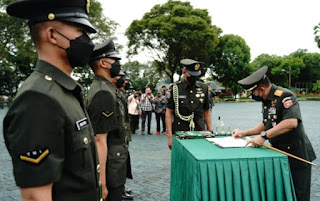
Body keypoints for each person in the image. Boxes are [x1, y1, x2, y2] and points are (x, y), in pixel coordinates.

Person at [2, 1, 101, 201]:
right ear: (52, 35)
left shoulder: (63, 90)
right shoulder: (39, 98)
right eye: (80, 30)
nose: (87, 41)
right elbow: (35, 196)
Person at [232, 66, 316, 201]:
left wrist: (264, 136)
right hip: (279, 154)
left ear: (262, 88)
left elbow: (291, 122)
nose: (252, 96)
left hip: (296, 156)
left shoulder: (285, 96)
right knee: (282, 195)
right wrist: (244, 133)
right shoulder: (267, 100)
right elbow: (267, 124)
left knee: (298, 195)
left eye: (253, 92)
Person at [86, 39, 128, 201]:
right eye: (115, 60)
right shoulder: (103, 93)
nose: (118, 64)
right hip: (110, 169)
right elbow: (99, 140)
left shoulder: (106, 89)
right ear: (103, 63)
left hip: (114, 163)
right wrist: (101, 182)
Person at [166, 59, 212, 149]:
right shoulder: (175, 88)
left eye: (196, 75)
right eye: (191, 75)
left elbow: (206, 111)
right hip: (180, 132)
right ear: (184, 72)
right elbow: (169, 112)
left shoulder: (204, 88)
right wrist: (170, 136)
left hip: (199, 131)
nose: (194, 77)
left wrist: (210, 131)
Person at [115, 72, 134, 200]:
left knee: (123, 163)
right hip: (118, 137)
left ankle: (122, 188)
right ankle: (120, 190)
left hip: (124, 134)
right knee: (120, 164)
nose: (127, 83)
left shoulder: (121, 94)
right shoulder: (116, 94)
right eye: (125, 80)